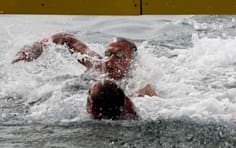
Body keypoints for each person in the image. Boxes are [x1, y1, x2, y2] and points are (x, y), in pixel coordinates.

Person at [11, 32, 156, 97]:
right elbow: (67, 38)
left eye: (119, 55)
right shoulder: (97, 64)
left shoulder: (138, 81)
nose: (110, 60)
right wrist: (37, 46)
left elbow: (147, 94)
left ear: (132, 61)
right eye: (108, 54)